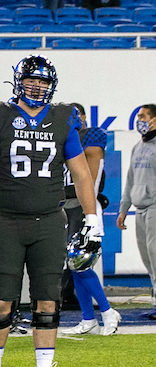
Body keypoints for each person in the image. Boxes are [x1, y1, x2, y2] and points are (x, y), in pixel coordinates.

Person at [0, 56, 101, 367]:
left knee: (47, 300)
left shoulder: (63, 117)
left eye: (43, 81)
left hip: (49, 221)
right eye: (32, 80)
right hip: (6, 220)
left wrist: (93, 217)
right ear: (18, 81)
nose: (37, 86)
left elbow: (82, 172)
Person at [61, 103, 120, 336]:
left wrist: (90, 212)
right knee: (73, 265)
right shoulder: (60, 139)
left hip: (84, 205)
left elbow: (91, 178)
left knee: (81, 262)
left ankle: (107, 311)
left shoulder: (91, 136)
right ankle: (88, 319)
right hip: (64, 205)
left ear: (83, 117)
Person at [117, 103, 156, 320]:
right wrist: (124, 208)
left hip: (154, 208)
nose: (138, 120)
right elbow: (130, 180)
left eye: (143, 116)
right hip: (141, 209)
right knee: (148, 259)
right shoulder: (137, 147)